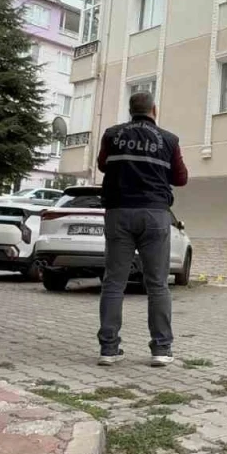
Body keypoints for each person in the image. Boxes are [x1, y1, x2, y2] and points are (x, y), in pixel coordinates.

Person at [95, 92, 189, 367]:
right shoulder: (169, 140)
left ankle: (108, 350)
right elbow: (181, 178)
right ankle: (161, 349)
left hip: (119, 212)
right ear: (154, 110)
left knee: (114, 282)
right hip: (155, 214)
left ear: (130, 110)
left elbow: (102, 165)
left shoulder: (112, 135)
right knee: (158, 284)